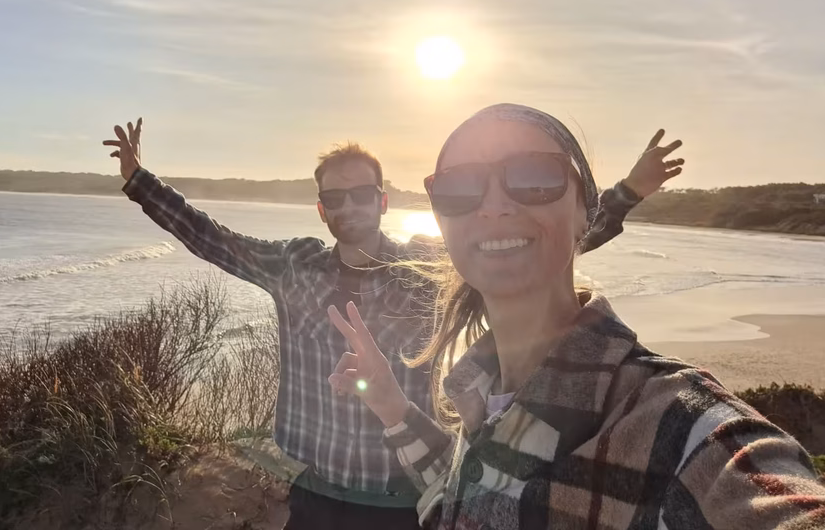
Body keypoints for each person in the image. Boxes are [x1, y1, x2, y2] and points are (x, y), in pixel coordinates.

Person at [102, 117, 684, 530]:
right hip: (313, 491)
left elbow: (530, 245)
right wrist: (138, 181)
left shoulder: (426, 269)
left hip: (407, 497)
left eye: (361, 194)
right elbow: (209, 238)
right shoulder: (291, 267)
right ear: (322, 209)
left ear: (382, 202)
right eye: (335, 198)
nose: (348, 206)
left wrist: (626, 193)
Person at [327, 103, 825, 530]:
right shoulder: (481, 395)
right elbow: (470, 489)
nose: (494, 205)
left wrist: (628, 191)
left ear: (584, 212)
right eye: (460, 187)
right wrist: (391, 406)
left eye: (535, 177)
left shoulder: (677, 426)